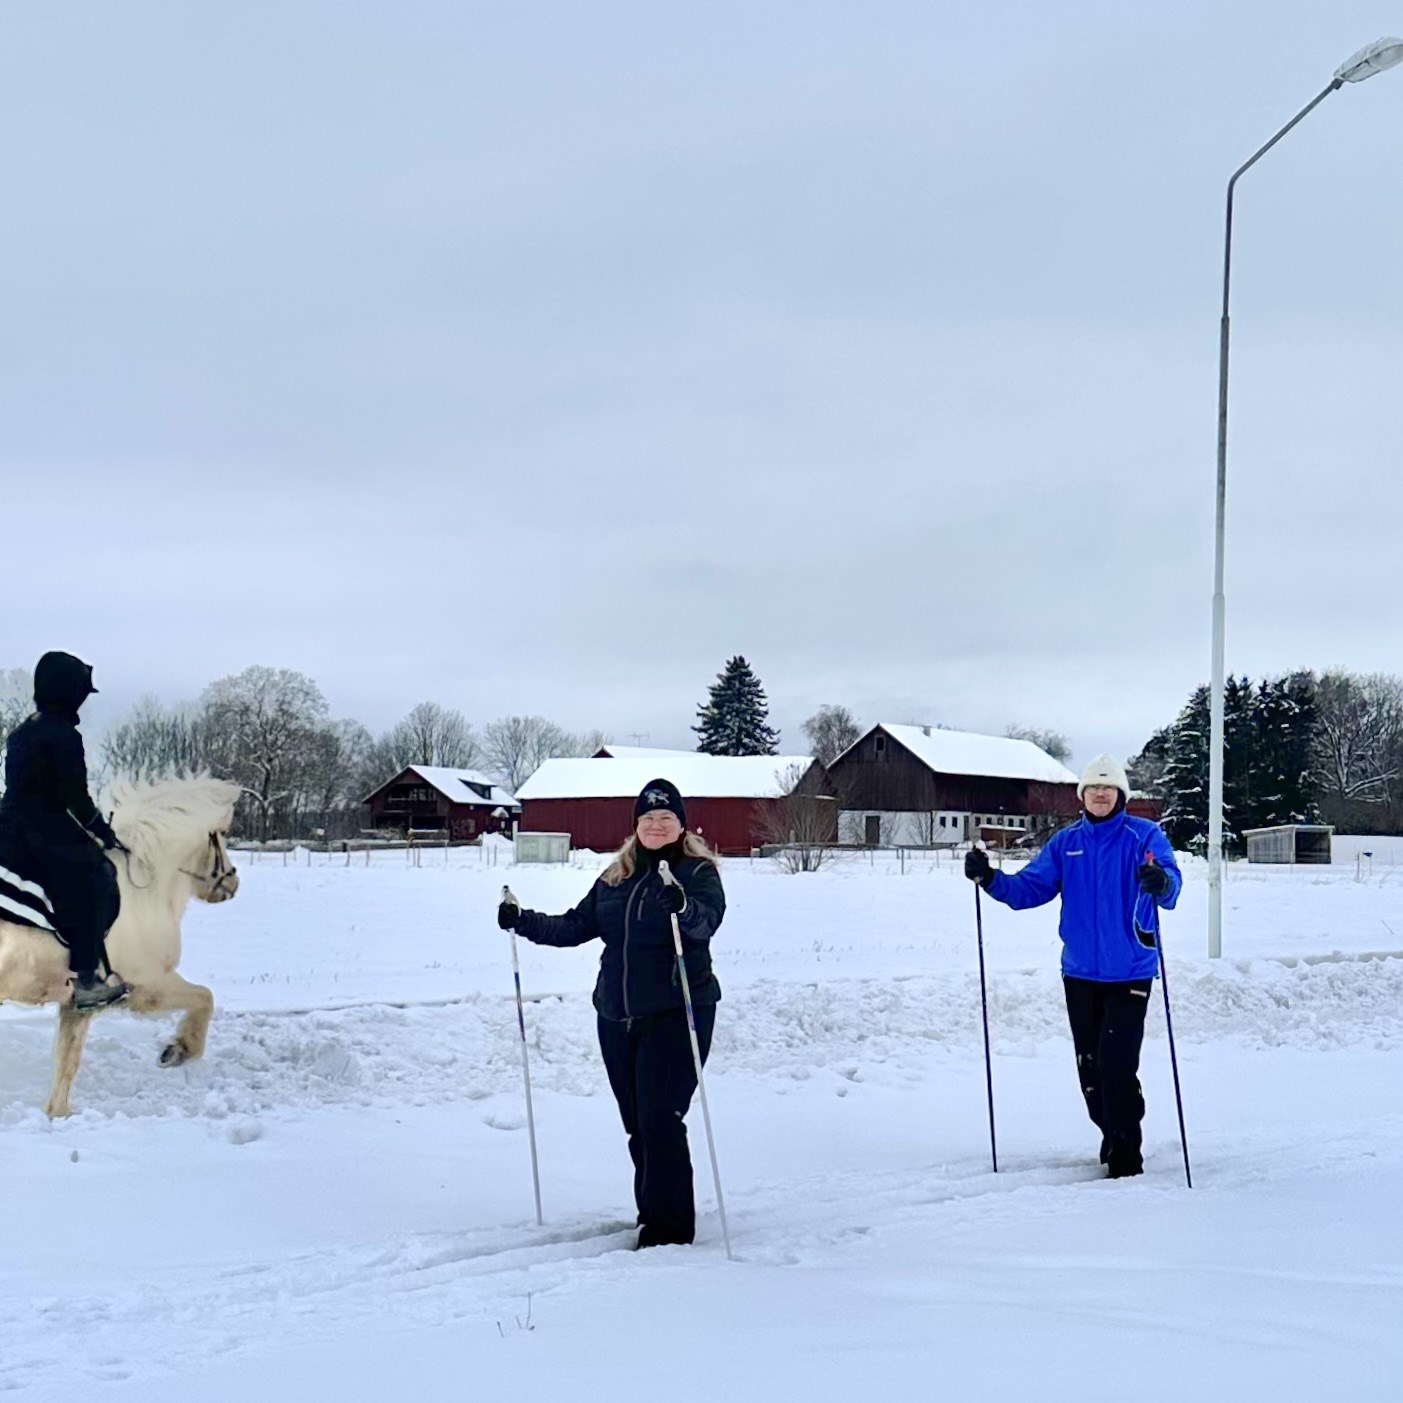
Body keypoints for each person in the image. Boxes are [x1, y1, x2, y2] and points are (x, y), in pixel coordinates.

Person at [498, 778, 725, 1247]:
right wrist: (524, 921)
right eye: (648, 818)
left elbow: (706, 920)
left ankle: (670, 1230)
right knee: (637, 1122)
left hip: (676, 1010)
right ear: (636, 826)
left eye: (666, 818)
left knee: (661, 1116)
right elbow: (577, 925)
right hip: (617, 1015)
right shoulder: (615, 877)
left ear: (681, 825)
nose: (657, 826)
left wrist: (680, 906)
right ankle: (653, 1212)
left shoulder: (697, 871)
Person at [964, 754, 1181, 1178]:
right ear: (1082, 795)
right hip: (1080, 973)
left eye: (1108, 787)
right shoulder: (1066, 843)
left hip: (1130, 971)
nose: (1101, 794)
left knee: (1116, 1063)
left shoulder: (1144, 835)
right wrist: (989, 878)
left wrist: (1161, 882)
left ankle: (1125, 1151)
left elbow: (1170, 884)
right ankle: (1110, 1128)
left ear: (1121, 794)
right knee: (1090, 1068)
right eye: (1093, 788)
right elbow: (1029, 888)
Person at [0, 652, 130, 1010]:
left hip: (8, 824)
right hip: (44, 828)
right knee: (94, 879)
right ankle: (87, 979)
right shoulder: (65, 736)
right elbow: (75, 798)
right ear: (69, 693)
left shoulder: (22, 732)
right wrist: (101, 832)